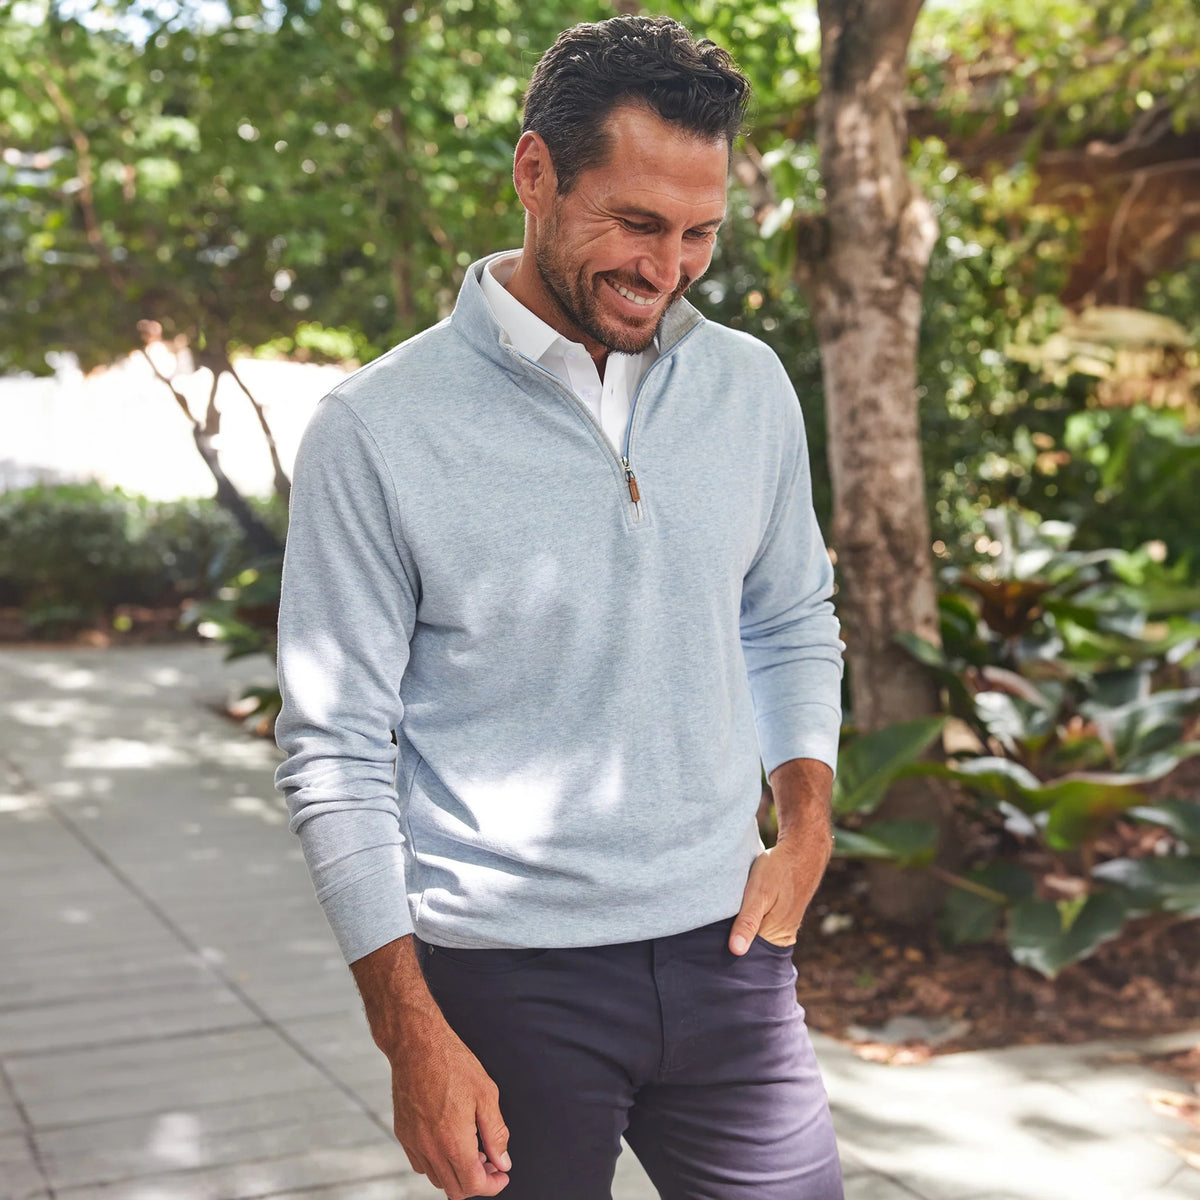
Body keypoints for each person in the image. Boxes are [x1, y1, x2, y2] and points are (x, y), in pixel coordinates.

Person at [274, 15, 846, 1200]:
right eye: (636, 223)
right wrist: (409, 1032)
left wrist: (807, 823)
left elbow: (787, 617)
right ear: (534, 174)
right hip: (502, 978)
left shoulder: (747, 388)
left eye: (699, 233)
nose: (668, 266)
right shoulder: (378, 429)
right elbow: (333, 747)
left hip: (729, 955)